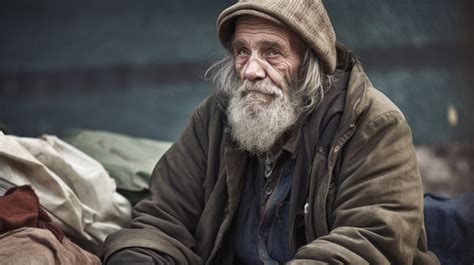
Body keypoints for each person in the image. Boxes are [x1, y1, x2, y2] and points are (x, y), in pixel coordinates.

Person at [102, 1, 439, 264]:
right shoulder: (215, 120)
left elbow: (371, 242)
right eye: (242, 51)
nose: (250, 70)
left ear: (310, 64)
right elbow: (161, 221)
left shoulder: (373, 124)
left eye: (272, 52)